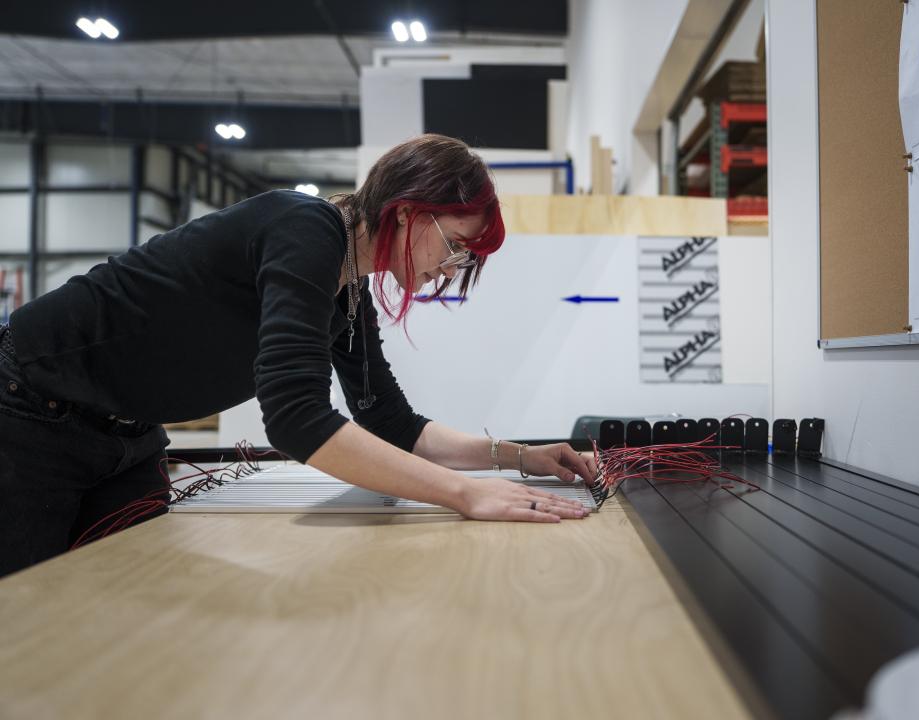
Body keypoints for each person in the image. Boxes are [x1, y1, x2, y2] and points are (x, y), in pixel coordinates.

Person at [0, 134, 596, 578]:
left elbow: (390, 423)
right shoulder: (304, 229)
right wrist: (464, 493)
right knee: (27, 621)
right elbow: (296, 418)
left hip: (126, 437)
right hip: (29, 412)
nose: (451, 266)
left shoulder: (348, 285)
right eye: (455, 246)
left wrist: (516, 456)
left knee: (127, 603)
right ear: (411, 211)